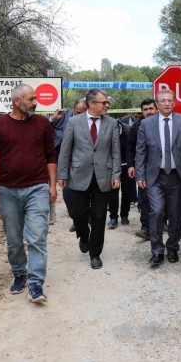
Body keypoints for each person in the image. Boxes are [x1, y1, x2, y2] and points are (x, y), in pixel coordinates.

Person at [0, 84, 57, 304]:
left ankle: (35, 282)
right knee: (14, 239)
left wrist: (52, 186)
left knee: (37, 236)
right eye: (31, 99)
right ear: (17, 101)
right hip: (8, 191)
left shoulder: (42, 123)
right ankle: (20, 273)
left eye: (35, 98)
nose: (36, 102)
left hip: (37, 188)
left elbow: (51, 155)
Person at [135, 89, 181, 266]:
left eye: (169, 100)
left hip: (177, 176)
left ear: (174, 103)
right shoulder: (146, 124)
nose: (166, 103)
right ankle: (157, 250)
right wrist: (139, 174)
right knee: (156, 212)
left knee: (176, 214)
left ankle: (172, 247)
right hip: (154, 177)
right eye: (162, 100)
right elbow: (141, 151)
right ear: (157, 104)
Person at [58, 89, 121, 270]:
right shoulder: (74, 122)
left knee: (100, 216)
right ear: (91, 104)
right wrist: (62, 174)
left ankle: (95, 254)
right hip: (78, 175)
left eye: (107, 102)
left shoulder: (112, 123)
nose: (107, 105)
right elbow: (66, 149)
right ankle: (83, 235)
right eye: (103, 102)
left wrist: (116, 175)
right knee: (78, 212)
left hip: (104, 177)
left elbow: (115, 152)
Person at [127, 98, 158, 240]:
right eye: (145, 110)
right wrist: (131, 165)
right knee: (144, 197)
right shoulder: (136, 127)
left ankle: (162, 223)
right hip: (144, 168)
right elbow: (130, 148)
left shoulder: (164, 124)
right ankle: (145, 227)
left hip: (164, 167)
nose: (149, 112)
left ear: (156, 109)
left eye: (151, 108)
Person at [57, 98, 87, 232]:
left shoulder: (94, 121)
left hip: (87, 165)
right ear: (73, 109)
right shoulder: (63, 118)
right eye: (78, 112)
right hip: (68, 164)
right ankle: (76, 219)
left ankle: (84, 219)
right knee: (68, 194)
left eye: (84, 112)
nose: (81, 115)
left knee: (85, 196)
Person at [107, 115, 132, 228]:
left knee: (127, 192)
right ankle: (113, 217)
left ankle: (124, 215)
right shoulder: (106, 132)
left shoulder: (127, 131)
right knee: (113, 193)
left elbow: (131, 149)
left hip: (126, 166)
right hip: (112, 168)